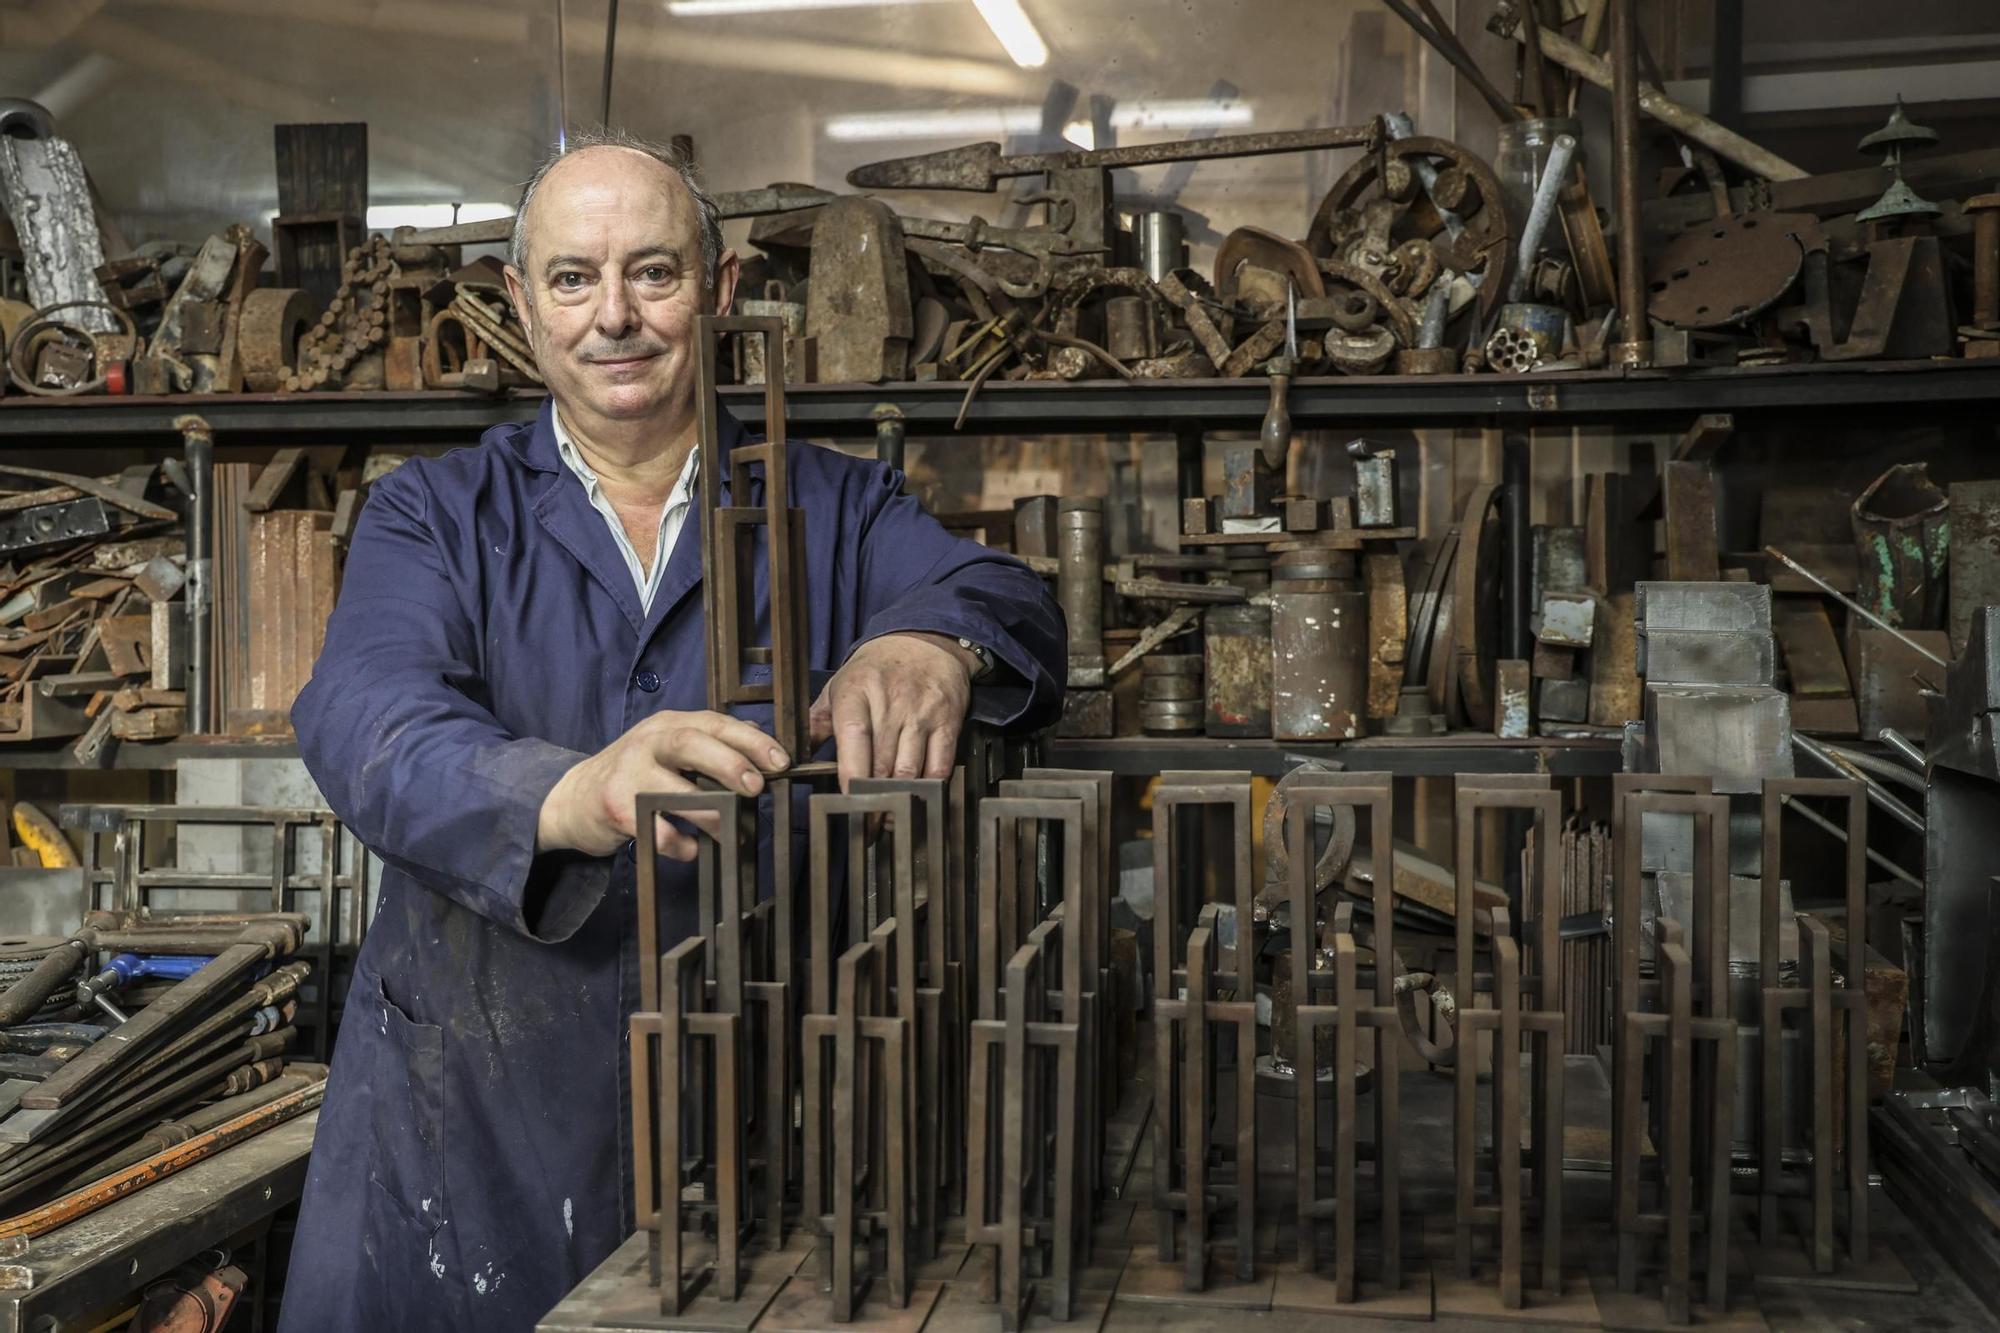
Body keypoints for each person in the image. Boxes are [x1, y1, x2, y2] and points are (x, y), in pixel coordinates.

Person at [276, 128, 1064, 1331]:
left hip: (762, 1099)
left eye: (652, 273)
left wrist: (927, 644)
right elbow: (364, 717)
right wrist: (571, 791)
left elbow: (1009, 599)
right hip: (474, 1114)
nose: (615, 319)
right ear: (520, 305)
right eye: (573, 278)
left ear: (721, 289)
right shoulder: (430, 514)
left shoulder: (833, 502)